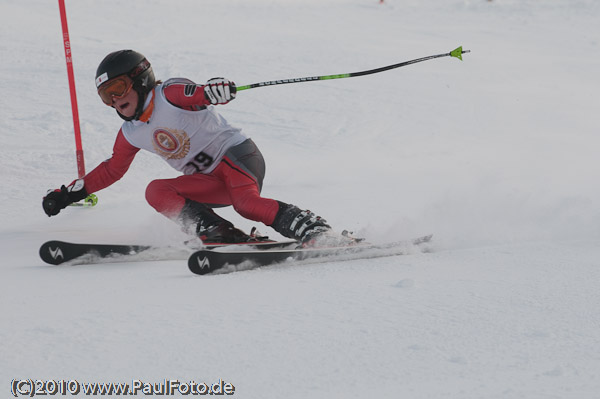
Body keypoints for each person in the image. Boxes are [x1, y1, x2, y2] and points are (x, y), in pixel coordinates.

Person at [43, 49, 343, 245]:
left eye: (117, 89)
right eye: (105, 96)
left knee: (247, 204)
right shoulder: (131, 132)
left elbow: (198, 94)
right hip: (208, 181)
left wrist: (215, 90)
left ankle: (315, 231)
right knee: (156, 190)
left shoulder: (168, 94)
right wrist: (71, 193)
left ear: (140, 79)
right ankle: (221, 233)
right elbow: (112, 169)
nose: (114, 101)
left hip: (237, 157)